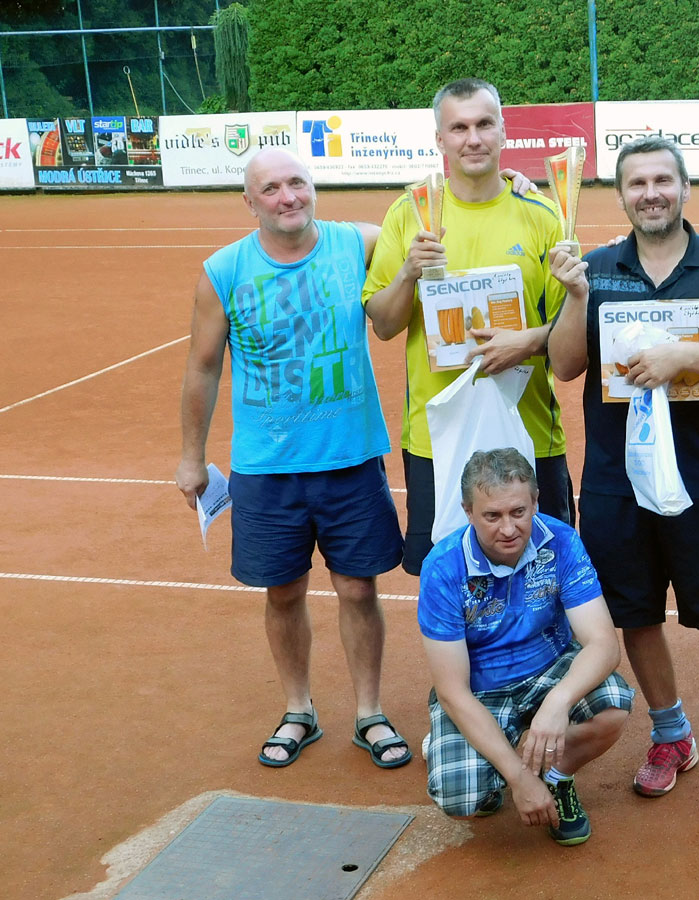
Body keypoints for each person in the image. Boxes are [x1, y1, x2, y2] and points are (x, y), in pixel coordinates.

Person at [548, 136, 699, 830]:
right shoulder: (596, 268)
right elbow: (564, 365)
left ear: (685, 188)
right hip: (616, 481)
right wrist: (575, 298)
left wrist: (685, 355)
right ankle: (672, 733)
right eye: (637, 183)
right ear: (621, 196)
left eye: (662, 180)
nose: (651, 193)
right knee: (636, 614)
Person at [175, 148, 412, 770]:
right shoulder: (223, 270)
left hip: (349, 458)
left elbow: (429, 216)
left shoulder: (357, 243)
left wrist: (509, 179)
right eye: (271, 188)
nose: (288, 197)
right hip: (265, 467)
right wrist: (191, 457)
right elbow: (202, 367)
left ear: (314, 187)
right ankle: (298, 709)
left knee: (358, 588)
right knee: (283, 593)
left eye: (298, 183)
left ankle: (369, 713)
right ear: (249, 201)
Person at [363, 78, 580, 575]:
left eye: (484, 124)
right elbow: (384, 325)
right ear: (440, 139)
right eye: (458, 128)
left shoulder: (544, 215)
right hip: (438, 439)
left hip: (529, 433)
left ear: (504, 131)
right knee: (447, 581)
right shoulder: (410, 213)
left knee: (541, 578)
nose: (473, 138)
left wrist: (527, 342)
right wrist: (408, 272)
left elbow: (570, 340)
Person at [419, 448, 632, 846]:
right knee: (461, 797)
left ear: (535, 502)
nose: (508, 529)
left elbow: (604, 644)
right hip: (480, 688)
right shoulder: (442, 568)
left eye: (518, 512)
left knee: (614, 705)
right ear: (468, 511)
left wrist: (558, 704)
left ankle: (557, 777)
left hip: (548, 668)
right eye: (492, 516)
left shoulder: (562, 542)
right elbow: (452, 689)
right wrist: (518, 777)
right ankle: (490, 757)